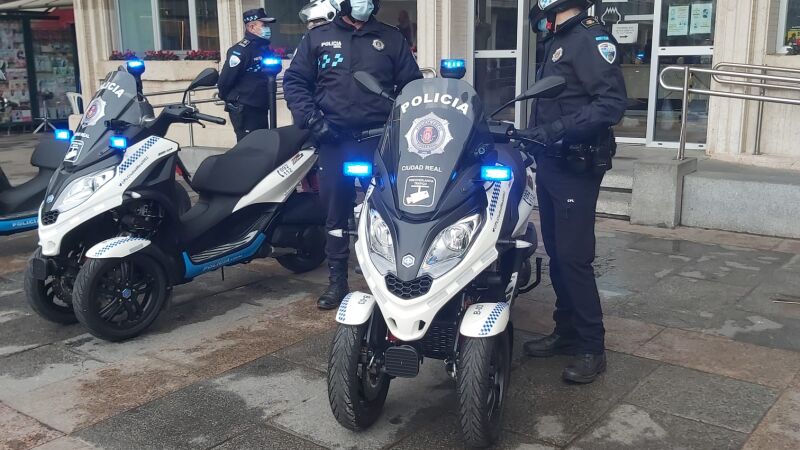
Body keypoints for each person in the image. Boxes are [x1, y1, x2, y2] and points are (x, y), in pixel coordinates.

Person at [283, 0, 422, 310]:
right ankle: (337, 281)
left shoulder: (391, 38)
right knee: (335, 212)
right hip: (334, 139)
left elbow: (412, 86)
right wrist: (313, 120)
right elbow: (295, 82)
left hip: (380, 140)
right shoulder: (318, 38)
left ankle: (394, 279)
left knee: (391, 211)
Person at [519, 0, 627, 384]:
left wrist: (555, 130)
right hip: (553, 162)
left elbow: (611, 103)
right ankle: (565, 331)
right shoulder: (557, 39)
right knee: (557, 253)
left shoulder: (589, 38)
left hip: (575, 166)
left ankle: (591, 347)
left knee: (574, 257)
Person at [217, 8, 276, 141]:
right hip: (246, 108)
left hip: (261, 105)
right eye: (264, 25)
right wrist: (232, 99)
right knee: (248, 146)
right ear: (251, 27)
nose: (267, 28)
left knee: (263, 145)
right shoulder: (240, 51)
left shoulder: (264, 48)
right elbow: (225, 81)